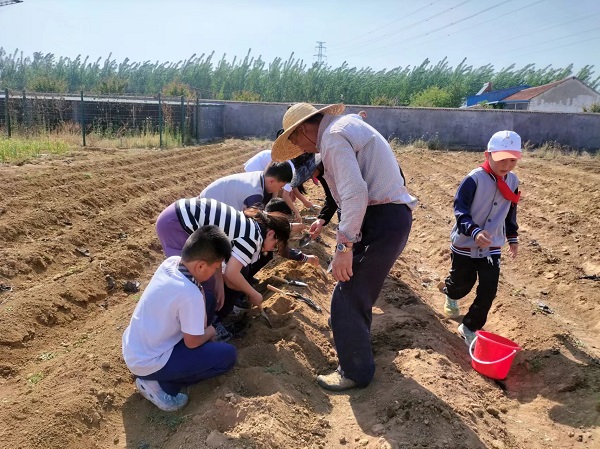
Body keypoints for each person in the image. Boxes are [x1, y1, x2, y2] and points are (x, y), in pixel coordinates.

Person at [272, 103, 417, 391]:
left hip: (381, 220)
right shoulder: (347, 126)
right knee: (356, 293)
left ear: (303, 129)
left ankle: (355, 372)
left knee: (346, 297)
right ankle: (358, 350)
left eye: (297, 141)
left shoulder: (333, 138)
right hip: (387, 218)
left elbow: (354, 192)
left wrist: (343, 247)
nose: (301, 149)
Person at [122, 225, 236, 412]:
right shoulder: (188, 294)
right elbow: (192, 342)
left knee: (207, 298)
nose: (217, 271)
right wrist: (210, 331)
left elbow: (198, 294)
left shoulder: (172, 263)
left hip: (139, 345)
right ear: (200, 265)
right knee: (227, 356)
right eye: (216, 267)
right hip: (148, 360)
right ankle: (159, 385)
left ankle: (169, 370)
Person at [155, 197, 291, 341]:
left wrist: (219, 282)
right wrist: (253, 293)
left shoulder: (253, 227)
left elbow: (217, 252)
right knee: (199, 282)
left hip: (177, 216)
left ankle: (212, 322)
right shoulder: (253, 238)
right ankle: (202, 332)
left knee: (220, 279)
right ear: (271, 234)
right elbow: (232, 273)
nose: (272, 250)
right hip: (178, 224)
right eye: (275, 246)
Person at [439, 130, 521, 347]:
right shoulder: (474, 179)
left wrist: (512, 237)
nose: (507, 165)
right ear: (488, 155)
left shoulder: (513, 181)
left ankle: (469, 326)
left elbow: (510, 211)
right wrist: (474, 230)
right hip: (466, 244)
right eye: (502, 159)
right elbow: (460, 210)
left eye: (512, 159)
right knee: (462, 285)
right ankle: (451, 293)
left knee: (489, 288)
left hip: (492, 246)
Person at [199, 162, 292, 213]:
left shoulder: (259, 176)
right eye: (281, 186)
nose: (280, 189)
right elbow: (258, 222)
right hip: (205, 209)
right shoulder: (254, 193)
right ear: (272, 181)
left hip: (208, 200)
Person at [243, 149, 302, 221]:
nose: (281, 189)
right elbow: (285, 196)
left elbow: (276, 190)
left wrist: (272, 206)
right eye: (281, 186)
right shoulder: (256, 192)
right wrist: (296, 213)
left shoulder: (285, 176)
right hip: (256, 165)